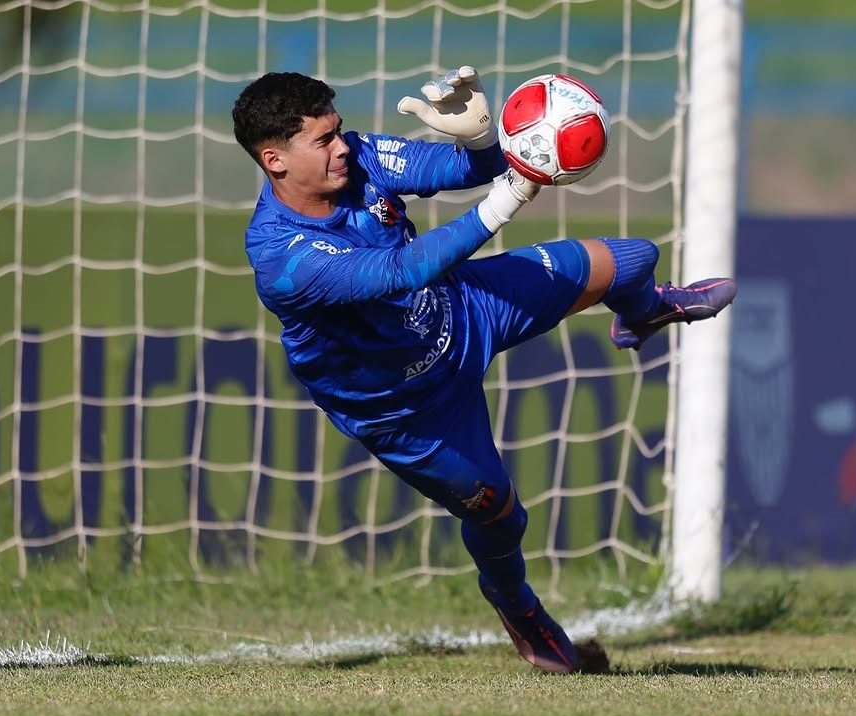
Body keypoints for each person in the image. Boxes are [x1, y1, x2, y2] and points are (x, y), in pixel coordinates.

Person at [231, 66, 736, 674]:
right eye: (324, 140)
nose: (344, 146)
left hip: (462, 308)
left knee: (632, 261)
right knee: (500, 513)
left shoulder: (357, 156)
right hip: (405, 408)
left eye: (338, 130)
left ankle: (646, 314)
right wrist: (509, 197)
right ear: (274, 160)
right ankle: (515, 604)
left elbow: (467, 171)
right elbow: (400, 272)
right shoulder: (280, 256)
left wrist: (478, 141)